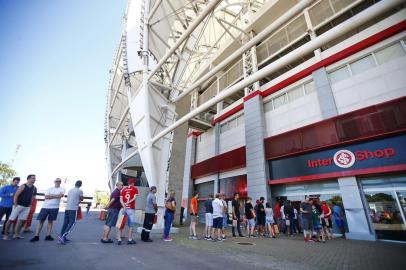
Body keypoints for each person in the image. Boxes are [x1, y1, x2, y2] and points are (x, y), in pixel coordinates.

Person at [3, 174, 37, 240]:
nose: (34, 180)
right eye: (33, 178)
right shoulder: (23, 186)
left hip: (27, 207)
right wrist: (15, 205)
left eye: (34, 179)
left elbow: (32, 197)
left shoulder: (34, 188)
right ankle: (5, 235)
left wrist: (30, 205)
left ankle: (16, 234)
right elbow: (16, 195)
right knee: (10, 220)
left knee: (21, 221)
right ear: (29, 179)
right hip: (18, 205)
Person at [58, 180, 83, 245]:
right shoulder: (80, 191)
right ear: (80, 185)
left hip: (67, 208)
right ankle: (63, 236)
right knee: (72, 222)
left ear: (75, 184)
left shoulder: (70, 190)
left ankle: (61, 235)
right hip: (73, 209)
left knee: (65, 223)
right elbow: (81, 198)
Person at [117, 178, 138, 245]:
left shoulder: (123, 189)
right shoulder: (135, 189)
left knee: (120, 224)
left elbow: (120, 199)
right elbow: (134, 198)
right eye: (134, 182)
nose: (134, 183)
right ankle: (129, 239)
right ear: (132, 183)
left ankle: (119, 239)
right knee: (130, 225)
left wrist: (124, 205)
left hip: (123, 209)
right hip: (130, 209)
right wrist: (128, 202)